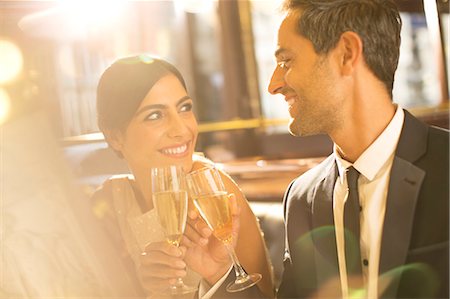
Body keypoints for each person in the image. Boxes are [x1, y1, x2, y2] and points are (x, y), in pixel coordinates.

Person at [183, 0, 449, 298]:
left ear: (347, 53)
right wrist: (220, 273)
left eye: (286, 61)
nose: (273, 84)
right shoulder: (302, 198)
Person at [92, 55, 274, 298]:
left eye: (184, 108)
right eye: (155, 115)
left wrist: (219, 274)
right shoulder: (109, 204)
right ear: (115, 136)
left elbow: (265, 294)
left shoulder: (213, 191)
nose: (182, 130)